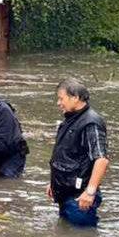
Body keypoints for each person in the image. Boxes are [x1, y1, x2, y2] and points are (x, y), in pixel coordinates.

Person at [47, 78, 109, 227]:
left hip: (80, 197)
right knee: (65, 235)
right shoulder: (70, 120)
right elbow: (65, 155)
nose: (58, 103)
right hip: (65, 192)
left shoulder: (91, 123)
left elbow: (101, 159)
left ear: (75, 98)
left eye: (61, 98)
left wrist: (90, 192)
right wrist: (54, 183)